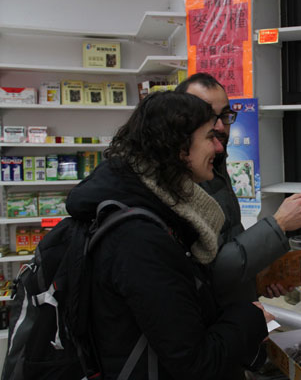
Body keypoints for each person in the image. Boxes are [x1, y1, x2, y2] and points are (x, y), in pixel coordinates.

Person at [65, 91, 271, 379]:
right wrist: (250, 320)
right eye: (209, 137)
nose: (219, 147)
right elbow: (193, 362)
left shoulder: (160, 211)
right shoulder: (139, 238)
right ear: (179, 148)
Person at [175, 74, 301, 304]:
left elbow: (229, 242)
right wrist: (278, 224)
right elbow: (209, 272)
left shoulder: (216, 164)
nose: (219, 127)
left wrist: (258, 278)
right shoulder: (180, 181)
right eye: (206, 116)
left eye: (225, 116)